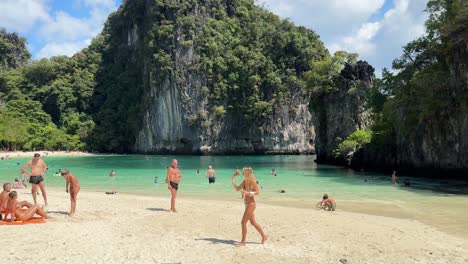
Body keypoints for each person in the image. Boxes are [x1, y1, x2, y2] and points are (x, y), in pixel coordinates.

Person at [231, 167, 267, 247]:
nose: (243, 174)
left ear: (248, 173)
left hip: (251, 204)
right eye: (243, 172)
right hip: (246, 204)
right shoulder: (244, 181)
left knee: (243, 222)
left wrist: (247, 193)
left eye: (244, 172)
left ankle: (243, 242)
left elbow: (258, 192)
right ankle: (264, 236)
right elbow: (237, 189)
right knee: (253, 222)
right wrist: (232, 180)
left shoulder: (253, 182)